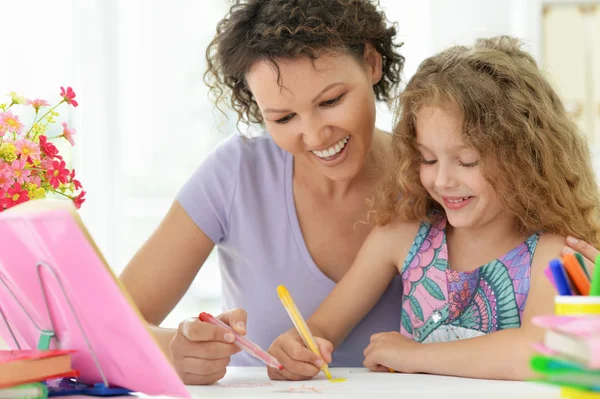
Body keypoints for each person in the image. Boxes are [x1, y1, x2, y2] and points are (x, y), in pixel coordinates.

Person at [268, 36, 600, 382]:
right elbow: (323, 326)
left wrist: (417, 355)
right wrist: (298, 347)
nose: (442, 180)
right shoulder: (400, 238)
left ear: (523, 158)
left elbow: (542, 351)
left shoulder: (555, 254)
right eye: (428, 158)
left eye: (467, 161)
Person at [119, 0, 407, 385]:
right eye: (284, 118)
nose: (315, 135)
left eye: (331, 101)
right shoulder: (236, 175)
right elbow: (108, 326)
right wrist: (173, 350)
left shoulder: (439, 176)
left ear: (371, 63)